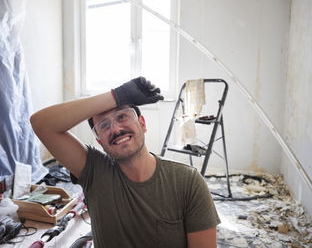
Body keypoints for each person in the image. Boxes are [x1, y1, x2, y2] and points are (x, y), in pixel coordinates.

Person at [30, 77, 220, 248]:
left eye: (122, 116)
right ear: (100, 142)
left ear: (142, 124)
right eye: (104, 125)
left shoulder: (188, 182)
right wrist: (117, 95)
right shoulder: (95, 172)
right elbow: (41, 124)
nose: (116, 129)